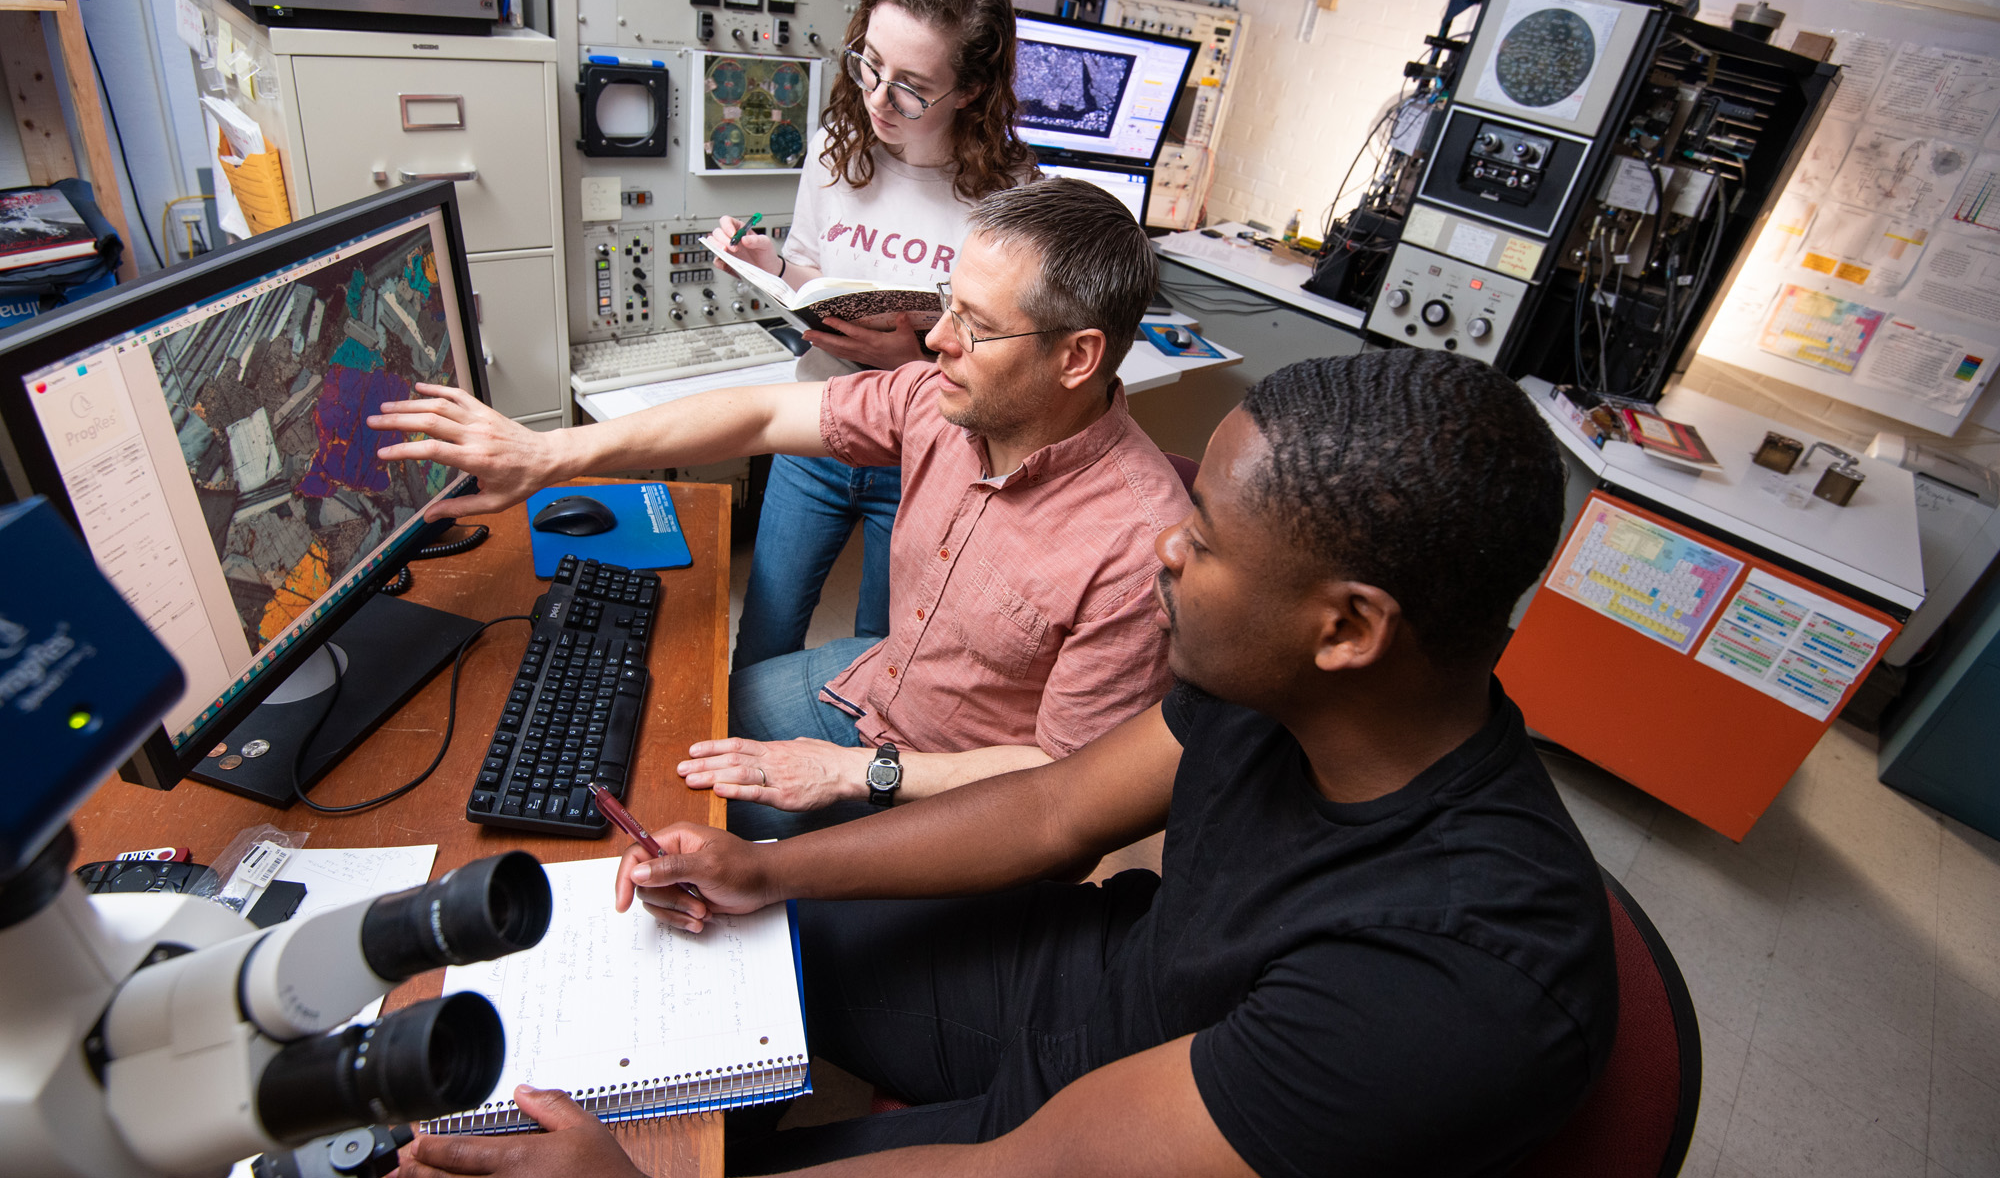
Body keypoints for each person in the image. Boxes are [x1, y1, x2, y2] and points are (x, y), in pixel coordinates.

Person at [389, 350, 1621, 1178]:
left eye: (1199, 537)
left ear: (1345, 626)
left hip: (1113, 1113)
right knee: (719, 955)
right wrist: (778, 874)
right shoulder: (1279, 683)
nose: (1159, 552)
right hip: (1091, 979)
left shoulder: (1450, 978)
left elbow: (1026, 1167)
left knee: (681, 1157)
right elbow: (1051, 813)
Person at [369, 178, 1188, 841]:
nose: (933, 338)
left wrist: (851, 772)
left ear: (1076, 357)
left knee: (667, 818)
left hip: (962, 801)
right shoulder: (943, 401)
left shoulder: (1137, 547)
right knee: (662, 730)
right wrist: (547, 455)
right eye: (948, 301)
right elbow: (762, 415)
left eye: (973, 325)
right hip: (878, 689)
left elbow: (1065, 781)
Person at [719, 0, 1034, 671]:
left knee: (880, 658)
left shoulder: (1011, 190)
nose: (877, 98)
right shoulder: (836, 146)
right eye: (870, 64)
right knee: (763, 636)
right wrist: (768, 265)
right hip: (817, 430)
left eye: (913, 86)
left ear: (972, 90)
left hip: (924, 452)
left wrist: (911, 358)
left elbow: (1012, 349)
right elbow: (808, 270)